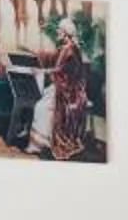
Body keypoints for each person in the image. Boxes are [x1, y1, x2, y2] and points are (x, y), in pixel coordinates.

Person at [39, 21, 92, 161]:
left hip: (70, 90)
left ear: (65, 33)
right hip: (62, 85)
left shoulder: (70, 50)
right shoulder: (65, 48)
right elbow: (53, 60)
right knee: (42, 105)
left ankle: (46, 143)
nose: (57, 32)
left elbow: (62, 70)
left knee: (43, 108)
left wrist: (45, 71)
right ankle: (42, 143)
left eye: (59, 30)